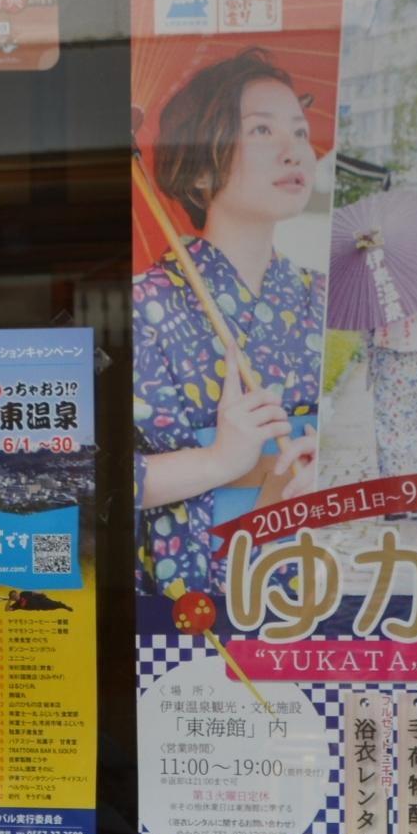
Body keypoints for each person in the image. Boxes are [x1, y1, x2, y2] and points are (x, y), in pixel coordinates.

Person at [133, 48, 322, 596]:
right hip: (193, 587)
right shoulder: (145, 303)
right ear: (199, 166)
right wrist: (220, 460)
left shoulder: (320, 294)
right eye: (262, 130)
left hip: (305, 582)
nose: (294, 150)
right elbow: (97, 479)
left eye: (300, 131)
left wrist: (326, 466)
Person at [367, 303, 417, 520]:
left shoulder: (376, 287)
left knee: (388, 430)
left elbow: (368, 328)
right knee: (416, 428)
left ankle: (393, 502)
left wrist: (371, 358)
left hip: (386, 359)